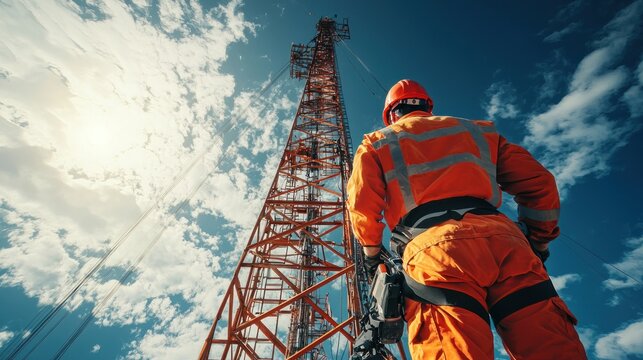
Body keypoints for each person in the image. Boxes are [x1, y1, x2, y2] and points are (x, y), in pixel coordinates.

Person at [346, 79, 587, 359]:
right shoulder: (479, 132)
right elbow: (540, 184)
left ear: (392, 113)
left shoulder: (377, 142)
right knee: (553, 348)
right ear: (427, 106)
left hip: (434, 251)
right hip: (507, 243)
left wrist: (372, 253)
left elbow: (362, 203)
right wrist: (539, 241)